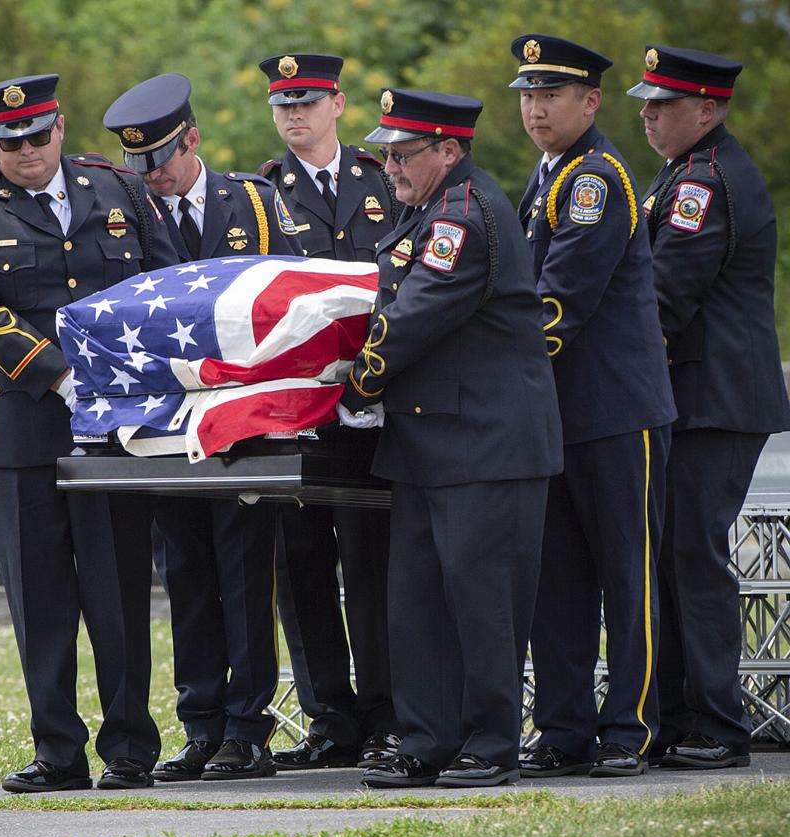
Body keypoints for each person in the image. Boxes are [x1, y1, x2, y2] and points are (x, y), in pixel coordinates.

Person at [0, 75, 179, 793]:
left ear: (61, 128)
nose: (27, 152)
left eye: (38, 136)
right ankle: (57, 752)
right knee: (40, 600)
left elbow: (162, 281)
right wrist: (62, 377)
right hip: (26, 428)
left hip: (116, 430)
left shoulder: (116, 190)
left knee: (121, 593)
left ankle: (131, 747)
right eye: (10, 142)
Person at [339, 90, 563, 788]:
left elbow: (414, 317)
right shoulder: (427, 210)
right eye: (383, 153)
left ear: (448, 150)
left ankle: (491, 741)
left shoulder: (463, 217)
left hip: (485, 443)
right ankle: (427, 738)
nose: (389, 167)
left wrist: (354, 385)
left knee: (482, 600)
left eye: (403, 154)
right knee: (418, 602)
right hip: (430, 442)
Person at [102, 73, 296, 781]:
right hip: (166, 422)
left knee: (245, 572)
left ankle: (247, 729)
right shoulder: (130, 211)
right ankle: (202, 722)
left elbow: (286, 292)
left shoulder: (253, 199)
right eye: (139, 163)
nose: (152, 174)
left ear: (193, 140)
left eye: (161, 158)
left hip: (244, 418)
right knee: (184, 572)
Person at [510, 35, 677, 779]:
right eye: (528, 94)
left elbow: (557, 303)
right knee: (560, 583)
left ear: (590, 101)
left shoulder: (596, 179)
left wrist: (494, 373)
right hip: (558, 415)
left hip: (615, 414)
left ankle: (629, 727)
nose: (536, 108)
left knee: (626, 574)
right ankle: (564, 726)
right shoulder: (546, 176)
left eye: (552, 95)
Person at [628, 46, 790, 769]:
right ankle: (680, 713)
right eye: (645, 101)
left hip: (716, 395)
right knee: (672, 552)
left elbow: (667, 290)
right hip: (696, 392)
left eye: (662, 105)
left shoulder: (706, 181)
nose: (646, 114)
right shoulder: (683, 172)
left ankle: (719, 724)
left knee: (693, 552)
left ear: (706, 108)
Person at [256, 52, 403, 771]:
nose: (294, 116)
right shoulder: (261, 194)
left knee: (373, 567)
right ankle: (328, 719)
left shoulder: (382, 181)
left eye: (307, 102)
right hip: (297, 412)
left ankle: (384, 713)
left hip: (371, 408)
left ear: (338, 105)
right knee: (302, 566)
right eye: (283, 105)